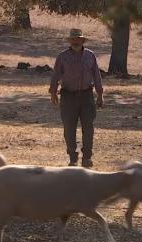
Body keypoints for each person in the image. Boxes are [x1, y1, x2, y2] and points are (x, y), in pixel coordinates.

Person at [49, 28, 104, 168]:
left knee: (88, 128)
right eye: (73, 39)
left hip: (87, 96)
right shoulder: (62, 57)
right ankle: (73, 158)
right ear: (70, 41)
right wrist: (53, 92)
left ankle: (87, 158)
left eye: (78, 39)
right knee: (68, 128)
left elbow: (97, 75)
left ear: (82, 40)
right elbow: (55, 75)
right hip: (68, 97)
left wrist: (100, 94)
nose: (75, 41)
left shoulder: (90, 56)